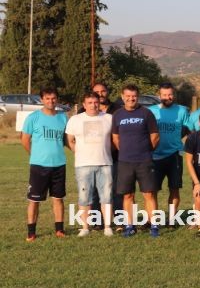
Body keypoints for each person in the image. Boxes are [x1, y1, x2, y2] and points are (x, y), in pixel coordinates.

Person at [112, 84, 160, 237]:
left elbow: (155, 136)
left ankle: (154, 226)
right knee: (127, 195)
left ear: (137, 97)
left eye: (133, 96)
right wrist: (126, 151)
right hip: (125, 161)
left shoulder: (146, 113)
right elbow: (115, 137)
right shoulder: (117, 115)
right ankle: (130, 226)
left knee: (149, 194)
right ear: (122, 97)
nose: (131, 99)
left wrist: (145, 150)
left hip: (144, 161)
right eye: (128, 96)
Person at [22, 87, 69, 241]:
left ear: (57, 99)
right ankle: (31, 232)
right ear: (42, 100)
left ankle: (59, 230)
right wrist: (36, 155)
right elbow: (25, 140)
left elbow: (66, 140)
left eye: (53, 98)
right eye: (47, 98)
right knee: (34, 200)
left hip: (59, 164)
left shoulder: (63, 117)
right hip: (39, 166)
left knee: (58, 198)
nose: (51, 101)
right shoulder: (33, 117)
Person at [66, 92, 114, 237]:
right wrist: (79, 153)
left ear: (99, 103)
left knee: (107, 196)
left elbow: (114, 139)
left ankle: (107, 227)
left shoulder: (109, 118)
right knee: (84, 197)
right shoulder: (75, 119)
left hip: (105, 163)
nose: (93, 105)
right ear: (84, 104)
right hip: (83, 165)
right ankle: (85, 228)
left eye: (95, 102)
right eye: (90, 103)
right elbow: (70, 140)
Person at [149, 82, 191, 226]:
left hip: (174, 156)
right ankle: (153, 219)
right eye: (164, 95)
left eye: (170, 94)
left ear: (174, 95)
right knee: (152, 190)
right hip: (154, 156)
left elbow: (188, 129)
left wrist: (176, 140)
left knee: (174, 189)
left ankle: (172, 219)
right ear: (159, 95)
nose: (167, 97)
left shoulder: (182, 110)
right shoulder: (151, 111)